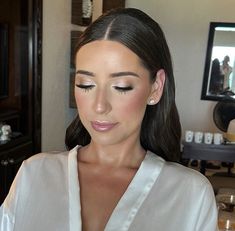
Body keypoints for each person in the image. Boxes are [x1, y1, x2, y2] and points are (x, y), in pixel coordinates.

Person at [0, 8, 218, 231]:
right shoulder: (34, 174)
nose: (99, 106)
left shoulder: (191, 195)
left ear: (156, 87)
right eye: (85, 84)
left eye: (121, 87)